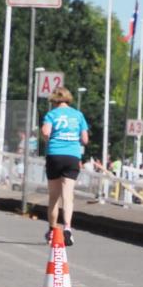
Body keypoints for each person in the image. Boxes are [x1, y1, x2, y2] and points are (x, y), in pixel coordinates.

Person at [41, 86, 89, 247]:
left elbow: (46, 132)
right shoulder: (78, 115)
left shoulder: (51, 114)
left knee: (54, 197)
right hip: (72, 156)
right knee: (68, 196)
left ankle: (53, 231)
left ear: (54, 100)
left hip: (55, 155)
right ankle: (67, 229)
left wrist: (50, 142)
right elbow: (85, 139)